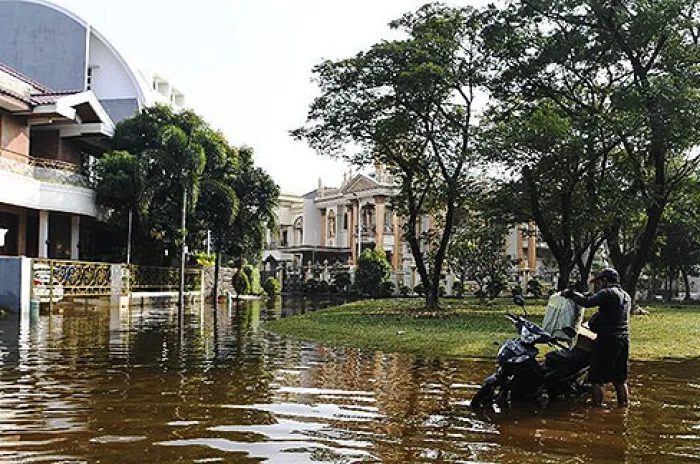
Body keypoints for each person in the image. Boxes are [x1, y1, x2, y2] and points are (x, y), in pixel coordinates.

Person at [562, 268, 631, 407]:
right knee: (620, 379)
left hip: (608, 340)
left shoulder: (608, 292)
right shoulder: (625, 295)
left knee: (596, 378)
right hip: (623, 340)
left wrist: (571, 294)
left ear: (605, 281)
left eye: (598, 283)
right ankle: (623, 408)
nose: (597, 286)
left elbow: (587, 302)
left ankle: (597, 410)